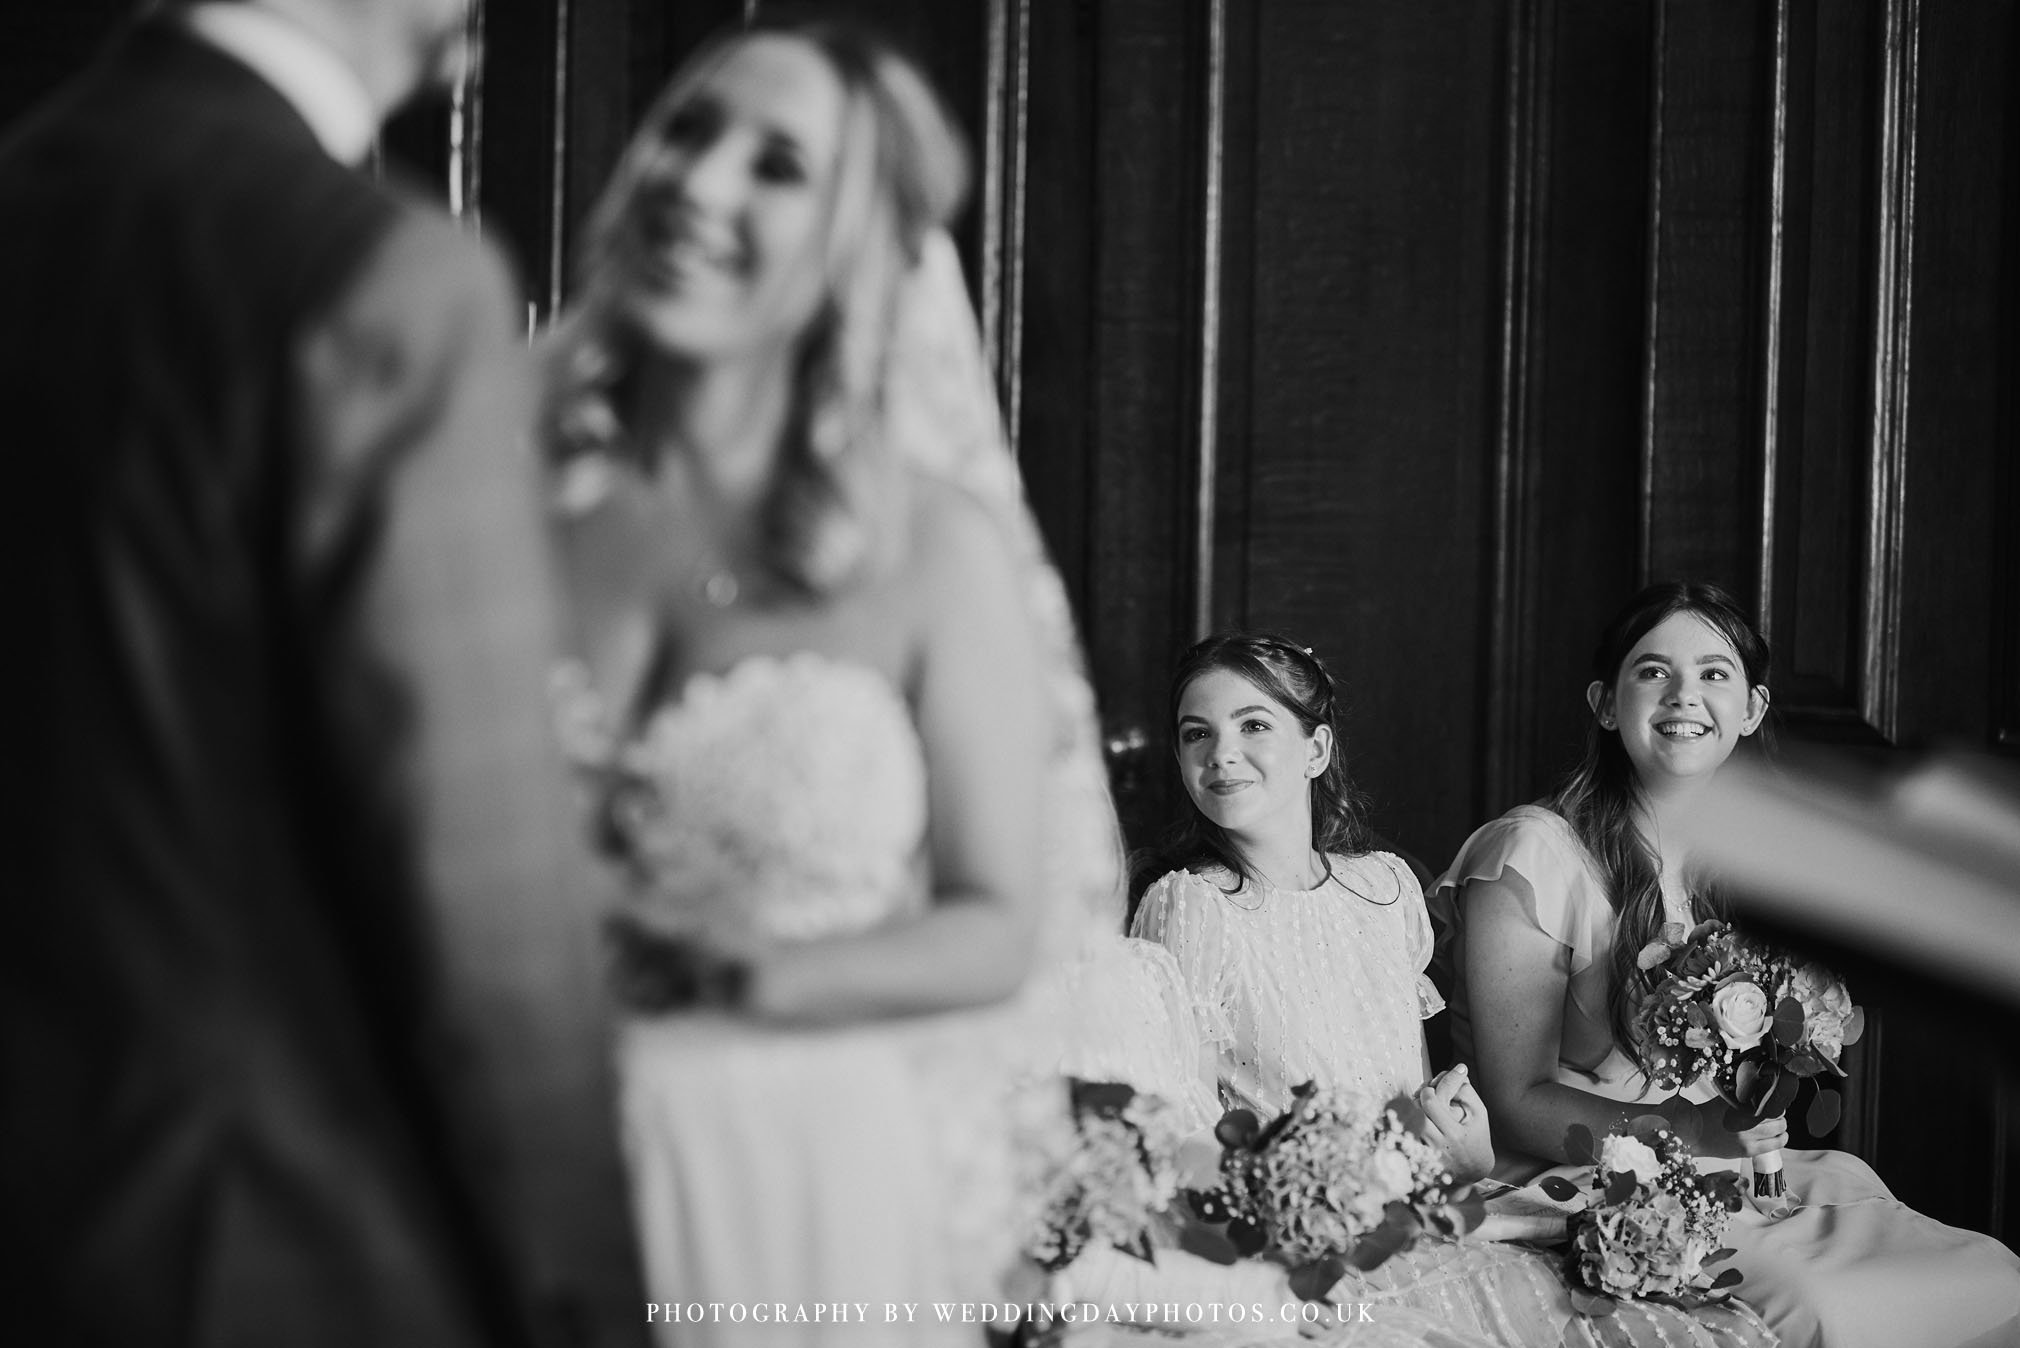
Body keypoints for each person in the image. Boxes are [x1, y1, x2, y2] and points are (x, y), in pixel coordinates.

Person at [0, 2, 644, 1345]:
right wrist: (584, 1294)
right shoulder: (378, 271)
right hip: (260, 1228)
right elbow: (482, 889)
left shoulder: (31, 186)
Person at [542, 18, 1068, 1342]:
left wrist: (740, 971)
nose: (698, 181)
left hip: (787, 1178)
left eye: (776, 165)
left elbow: (1000, 922)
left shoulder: (931, 551)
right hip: (502, 1155)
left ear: (852, 242)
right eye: (684, 130)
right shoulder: (500, 498)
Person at [1130, 633, 1775, 1347]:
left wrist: (1462, 1149)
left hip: (1424, 1216)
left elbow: (1404, 1089)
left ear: (1315, 751)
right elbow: (1177, 1128)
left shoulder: (1383, 888)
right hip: (1294, 1245)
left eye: (1253, 725)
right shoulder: (1189, 903)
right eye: (1197, 734)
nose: (1220, 752)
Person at [1435, 580, 2020, 1348]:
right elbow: (1515, 1100)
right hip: (1581, 1180)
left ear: (1752, 709)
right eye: (1652, 671)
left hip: (1731, 1173)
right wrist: (1689, 1129)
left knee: (1992, 1276)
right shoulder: (1531, 854)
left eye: (1715, 673)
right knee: (1834, 1311)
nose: (1685, 695)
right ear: (1606, 703)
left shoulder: (1758, 864)